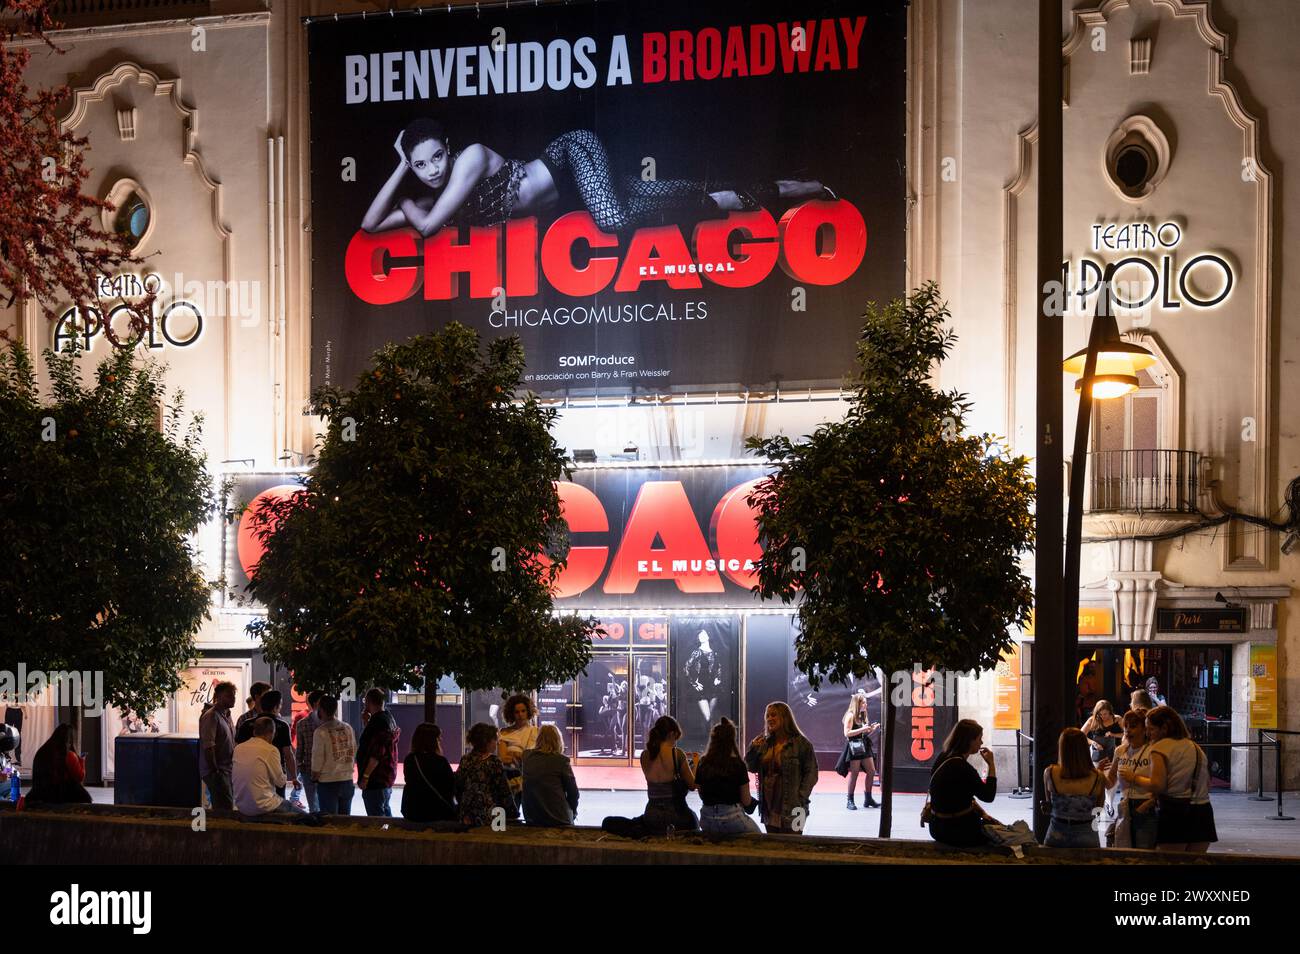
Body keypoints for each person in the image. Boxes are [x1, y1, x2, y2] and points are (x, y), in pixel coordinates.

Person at [362, 119, 834, 238]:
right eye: (420, 166)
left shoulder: (468, 160)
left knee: (610, 218)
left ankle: (783, 188)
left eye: (434, 157)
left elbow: (424, 227)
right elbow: (367, 226)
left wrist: (410, 203)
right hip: (578, 194)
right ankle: (799, 187)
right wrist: (401, 164)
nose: (432, 170)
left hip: (572, 156)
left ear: (449, 150)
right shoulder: (438, 197)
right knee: (701, 196)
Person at [1121, 706, 1217, 852]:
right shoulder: (1194, 747)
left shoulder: (1159, 748)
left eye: (1151, 729)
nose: (1148, 733)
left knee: (1170, 860)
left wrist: (1133, 777)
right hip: (1203, 812)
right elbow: (1207, 783)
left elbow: (1157, 784)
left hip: (1175, 812)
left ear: (1164, 728)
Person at [925, 719, 1001, 848]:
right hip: (959, 831)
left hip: (936, 828)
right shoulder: (963, 768)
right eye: (979, 739)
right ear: (970, 741)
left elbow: (959, 794)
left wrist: (983, 814)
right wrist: (991, 765)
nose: (981, 742)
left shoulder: (943, 757)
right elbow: (988, 796)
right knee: (1001, 836)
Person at [745, 702, 818, 834]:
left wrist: (800, 797)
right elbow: (751, 767)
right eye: (767, 716)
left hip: (796, 808)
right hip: (769, 807)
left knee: (795, 846)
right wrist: (752, 749)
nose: (769, 719)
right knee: (774, 846)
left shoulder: (802, 744)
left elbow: (811, 773)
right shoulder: (764, 743)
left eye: (773, 715)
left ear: (785, 718)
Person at [1042, 728, 1110, 849]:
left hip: (1056, 833)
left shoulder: (1050, 773)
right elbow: (1098, 809)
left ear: (1062, 748)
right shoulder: (1098, 777)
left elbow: (1049, 806)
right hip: (1087, 834)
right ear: (1084, 749)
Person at [694, 717, 759, 835]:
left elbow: (701, 794)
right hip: (732, 818)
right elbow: (746, 800)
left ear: (713, 739)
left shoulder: (703, 762)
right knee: (759, 839)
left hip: (706, 819)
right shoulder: (738, 765)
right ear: (732, 740)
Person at [635, 715, 699, 834]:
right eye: (676, 738)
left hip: (651, 815)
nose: (675, 742)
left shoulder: (644, 755)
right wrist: (695, 764)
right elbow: (693, 785)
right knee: (694, 819)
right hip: (676, 815)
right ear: (671, 734)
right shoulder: (677, 754)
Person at [1104, 709, 1157, 849]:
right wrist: (1097, 773)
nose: (1127, 731)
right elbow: (1110, 783)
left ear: (1144, 729)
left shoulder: (1153, 751)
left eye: (1133, 726)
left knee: (1144, 852)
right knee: (1124, 851)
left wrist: (1134, 778)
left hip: (1146, 806)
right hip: (1125, 805)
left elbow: (1161, 783)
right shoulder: (1120, 751)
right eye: (1126, 726)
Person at [235, 690, 298, 803]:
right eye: (280, 704)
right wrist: (293, 777)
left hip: (250, 774)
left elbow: (237, 750)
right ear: (276, 706)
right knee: (277, 804)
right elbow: (288, 755)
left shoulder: (246, 724)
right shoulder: (282, 726)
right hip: (276, 774)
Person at [233, 717, 301, 816]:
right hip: (264, 805)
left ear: (254, 731)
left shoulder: (238, 748)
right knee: (305, 817)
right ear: (271, 732)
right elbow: (280, 782)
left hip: (242, 806)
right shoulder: (271, 750)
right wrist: (283, 772)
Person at [456, 722, 515, 827]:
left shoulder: (465, 759)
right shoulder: (494, 761)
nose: (497, 743)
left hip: (467, 813)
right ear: (486, 741)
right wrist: (512, 811)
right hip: (489, 813)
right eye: (494, 740)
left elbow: (459, 785)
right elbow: (503, 789)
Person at [521, 724, 580, 827]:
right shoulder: (561, 760)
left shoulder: (526, 756)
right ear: (558, 740)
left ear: (538, 739)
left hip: (532, 818)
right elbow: (573, 793)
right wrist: (573, 811)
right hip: (558, 818)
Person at [356, 687, 400, 817]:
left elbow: (376, 754)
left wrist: (365, 777)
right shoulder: (388, 718)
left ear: (368, 702)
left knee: (376, 819)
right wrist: (366, 722)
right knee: (386, 814)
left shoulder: (377, 723)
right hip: (386, 777)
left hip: (375, 780)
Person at [402, 722, 457, 823]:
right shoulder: (440, 761)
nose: (441, 740)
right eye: (439, 738)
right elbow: (450, 786)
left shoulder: (410, 759)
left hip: (413, 811)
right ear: (433, 740)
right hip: (437, 812)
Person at [310, 695, 357, 815]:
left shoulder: (320, 732)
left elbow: (318, 758)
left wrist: (314, 777)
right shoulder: (348, 728)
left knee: (330, 822)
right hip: (347, 780)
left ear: (321, 710)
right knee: (345, 821)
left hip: (328, 783)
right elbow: (353, 750)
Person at [835, 689, 880, 810]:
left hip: (864, 744)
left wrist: (872, 728)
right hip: (854, 746)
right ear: (857, 703)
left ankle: (868, 798)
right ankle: (850, 800)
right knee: (854, 773)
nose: (866, 704)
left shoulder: (863, 714)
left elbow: (865, 732)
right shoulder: (850, 715)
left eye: (866, 702)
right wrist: (863, 729)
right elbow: (847, 733)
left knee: (871, 771)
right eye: (863, 702)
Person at [26, 723, 91, 805]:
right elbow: (80, 776)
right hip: (61, 795)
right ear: (70, 740)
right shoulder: (69, 755)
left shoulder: (42, 751)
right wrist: (82, 760)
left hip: (38, 794)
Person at [497, 693, 539, 814]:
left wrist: (514, 753)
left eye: (523, 711)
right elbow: (503, 758)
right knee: (509, 816)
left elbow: (532, 758)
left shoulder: (535, 731)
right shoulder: (504, 732)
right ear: (511, 713)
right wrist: (521, 755)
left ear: (528, 711)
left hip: (529, 778)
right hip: (509, 780)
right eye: (517, 712)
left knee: (531, 816)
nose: (520, 715)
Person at [198, 681, 237, 810]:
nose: (233, 699)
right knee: (224, 807)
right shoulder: (211, 716)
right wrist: (216, 771)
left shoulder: (227, 715)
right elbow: (209, 746)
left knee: (226, 804)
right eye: (229, 696)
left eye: (233, 695)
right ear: (218, 697)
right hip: (217, 770)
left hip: (226, 768)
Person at [293, 690, 323, 812]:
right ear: (317, 703)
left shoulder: (302, 723)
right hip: (322, 769)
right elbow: (300, 748)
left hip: (309, 768)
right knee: (324, 805)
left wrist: (300, 765)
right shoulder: (327, 722)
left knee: (314, 806)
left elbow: (300, 749)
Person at [1082, 699, 1124, 765]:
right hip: (1097, 753)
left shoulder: (1117, 719)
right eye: (1100, 714)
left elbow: (1126, 734)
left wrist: (1113, 735)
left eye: (1105, 714)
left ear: (1110, 712)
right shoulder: (1092, 720)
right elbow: (1081, 735)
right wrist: (1093, 743)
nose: (1103, 717)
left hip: (1111, 751)